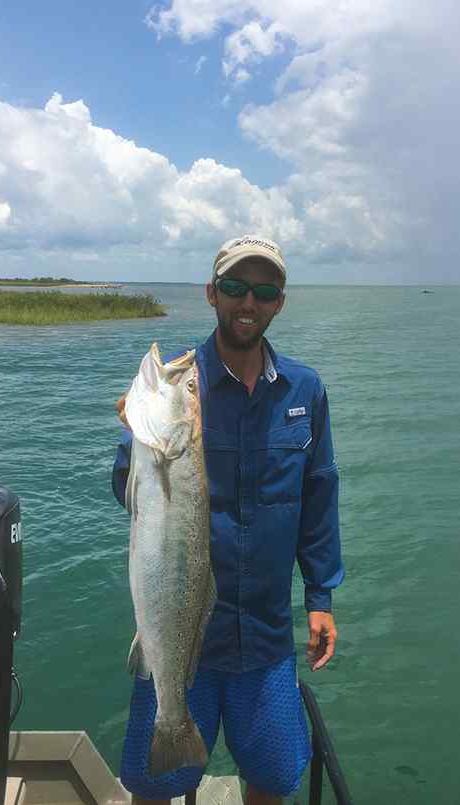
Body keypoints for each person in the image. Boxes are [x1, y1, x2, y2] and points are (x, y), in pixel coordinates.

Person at [112, 235, 344, 805]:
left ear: (279, 303)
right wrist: (136, 442)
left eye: (264, 291)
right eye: (237, 287)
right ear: (212, 293)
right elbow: (128, 495)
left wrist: (320, 597)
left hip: (266, 637)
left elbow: (319, 496)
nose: (249, 302)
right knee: (153, 785)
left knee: (270, 779)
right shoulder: (179, 382)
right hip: (176, 634)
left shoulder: (304, 390)